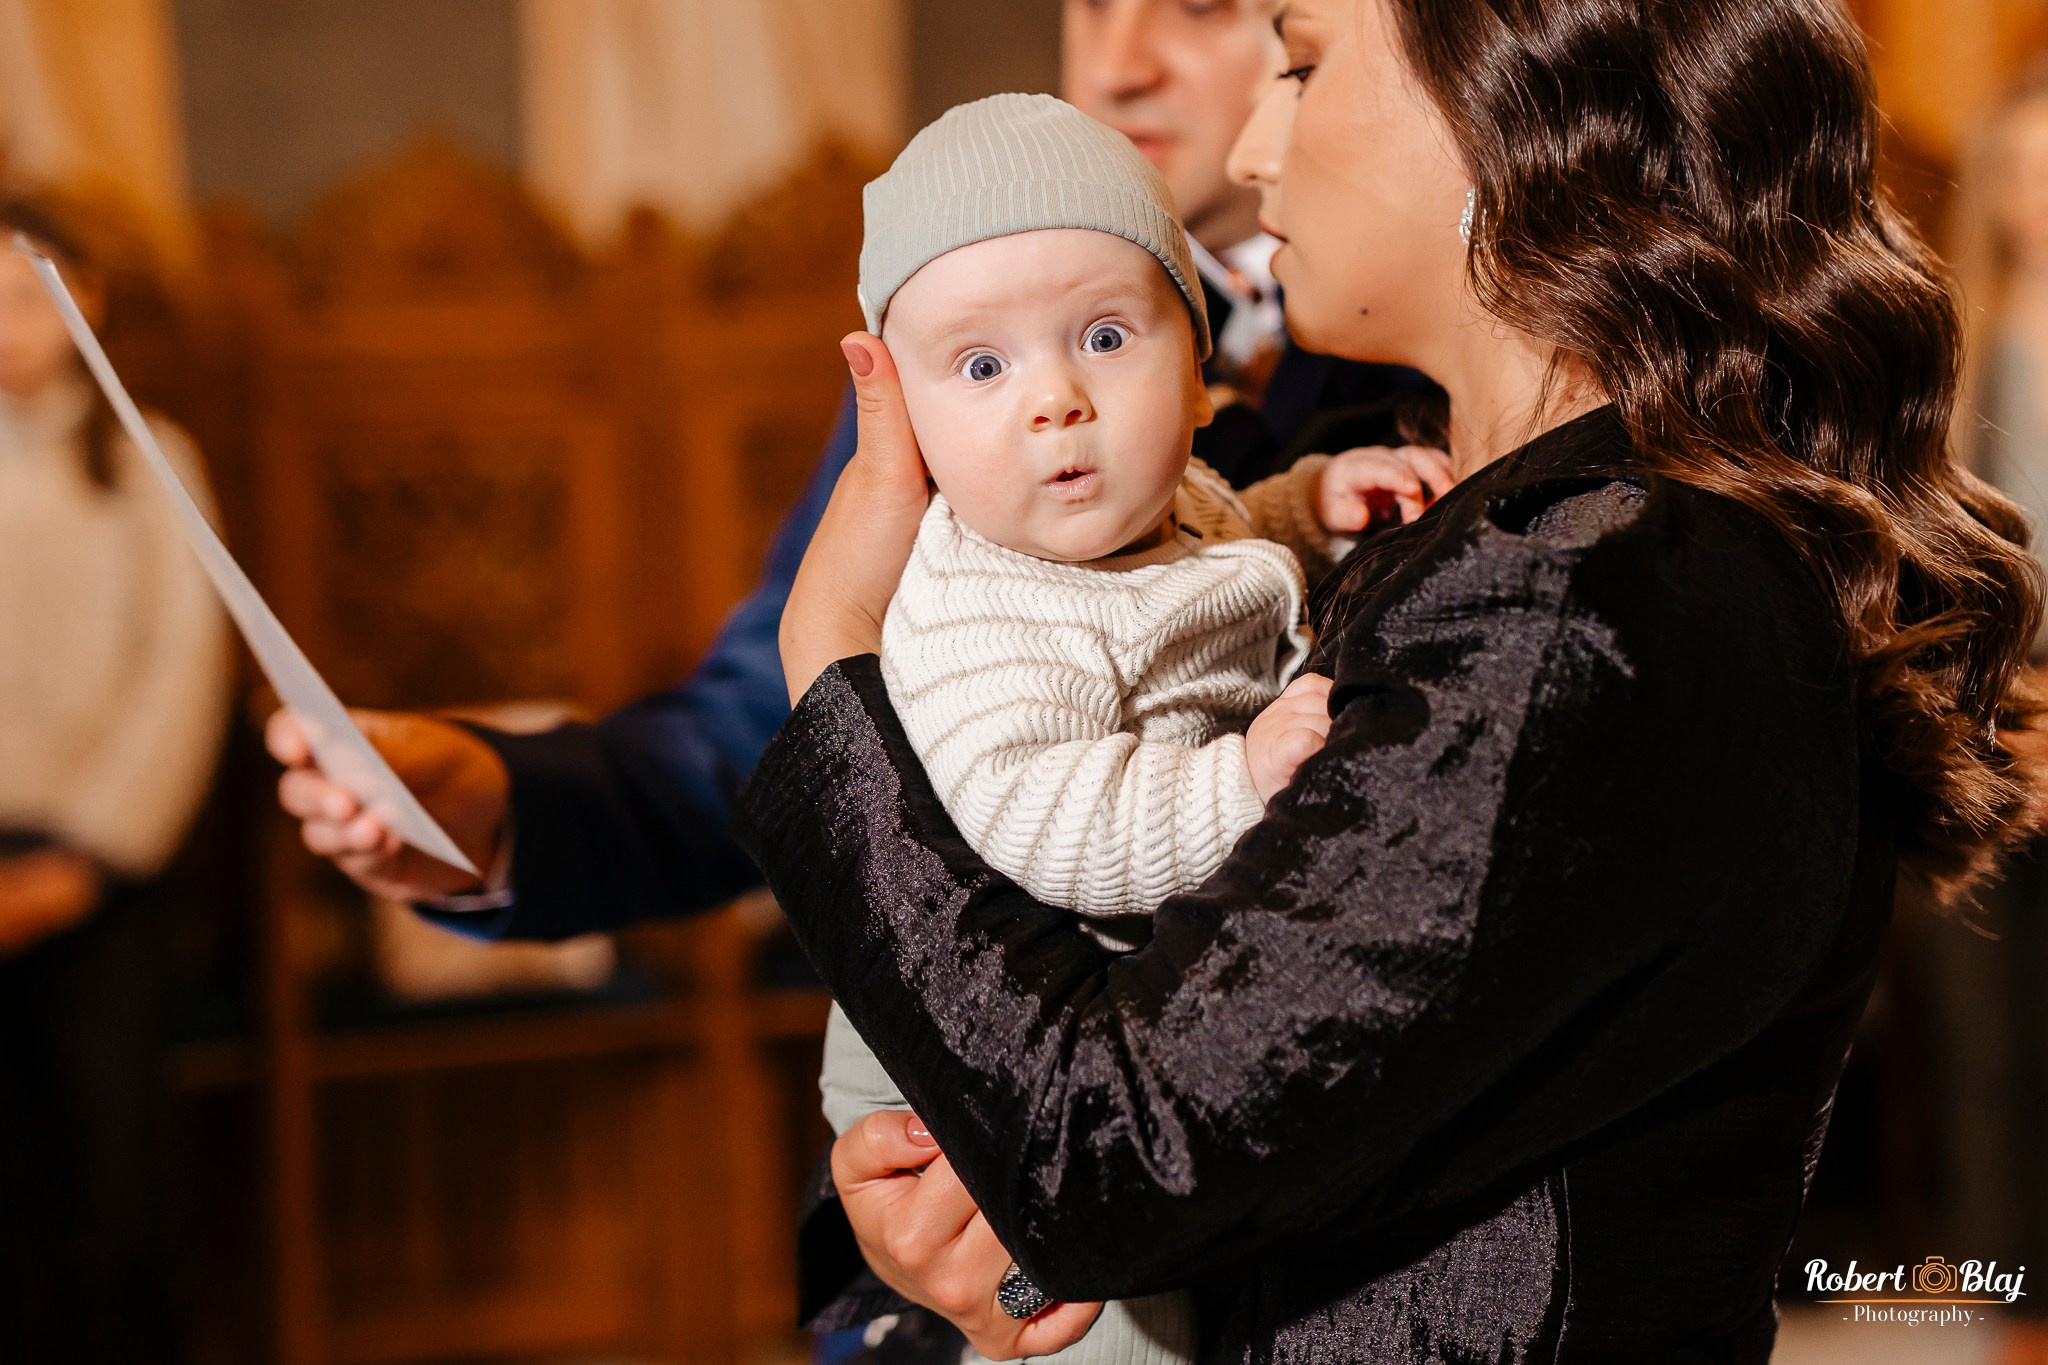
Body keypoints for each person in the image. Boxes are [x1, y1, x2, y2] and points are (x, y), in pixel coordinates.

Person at [727, 0, 2046, 1359]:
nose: (1252, 145)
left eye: (1300, 64)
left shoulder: (1581, 592)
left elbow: (1109, 1158)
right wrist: (977, 1222)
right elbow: (1220, 1120)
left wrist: (831, 652)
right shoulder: (1550, 532)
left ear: (1506, 105)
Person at [266, 0, 1434, 945]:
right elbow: (789, 711)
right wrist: (507, 809)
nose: (1117, 65)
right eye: (1088, 3)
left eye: (1200, 6)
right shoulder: (937, 354)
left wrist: (1309, 506)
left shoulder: (1437, 327)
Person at [817, 91, 1451, 1365]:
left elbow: (1218, 553)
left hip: (1113, 985)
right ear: (907, 425)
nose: (1054, 399)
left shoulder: (1167, 505)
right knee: (1111, 1323)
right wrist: (1238, 784)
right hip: (975, 1023)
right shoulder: (983, 601)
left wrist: (1310, 505)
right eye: (981, 367)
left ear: (1196, 375)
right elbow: (1039, 816)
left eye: (1104, 336)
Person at [0, 197, 232, 1364]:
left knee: (114, 1175)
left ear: (83, 299)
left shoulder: (152, 459)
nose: (8, 329)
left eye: (26, 297)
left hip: (101, 870)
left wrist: (82, 862)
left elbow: (184, 669)